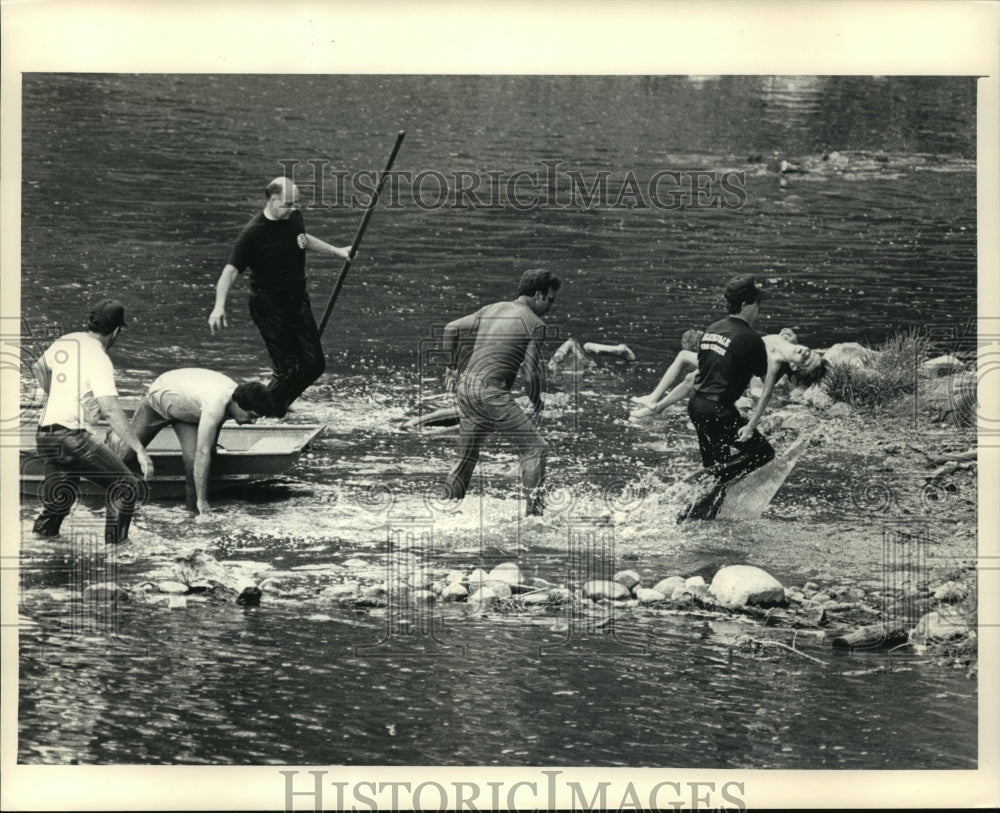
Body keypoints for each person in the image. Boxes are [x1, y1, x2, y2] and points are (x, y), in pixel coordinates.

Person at [207, 176, 353, 417]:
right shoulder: (253, 233)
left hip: (297, 301)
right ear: (273, 200)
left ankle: (277, 404)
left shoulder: (293, 217)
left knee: (314, 364)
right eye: (288, 204)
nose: (294, 209)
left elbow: (302, 239)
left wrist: (337, 251)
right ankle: (257, 411)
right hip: (269, 306)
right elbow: (229, 272)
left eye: (296, 203)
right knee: (287, 369)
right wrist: (219, 306)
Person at [31, 299, 154, 544]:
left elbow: (39, 368)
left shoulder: (67, 340)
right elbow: (110, 410)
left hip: (45, 434)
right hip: (71, 437)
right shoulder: (99, 358)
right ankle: (116, 550)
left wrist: (55, 395)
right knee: (125, 486)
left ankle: (40, 542)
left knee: (59, 501)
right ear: (116, 331)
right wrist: (140, 450)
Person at [440, 269, 560, 516]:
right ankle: (535, 520)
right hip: (491, 393)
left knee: (466, 460)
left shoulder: (491, 309)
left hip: (467, 388)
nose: (551, 306)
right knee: (535, 449)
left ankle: (444, 511)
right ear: (538, 295)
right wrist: (536, 400)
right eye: (550, 300)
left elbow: (451, 329)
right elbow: (530, 373)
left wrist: (452, 368)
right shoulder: (535, 324)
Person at [117, 369, 278, 519]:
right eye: (251, 416)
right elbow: (203, 452)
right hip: (158, 402)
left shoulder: (242, 397)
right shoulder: (215, 405)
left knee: (194, 461)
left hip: (188, 413)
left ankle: (194, 512)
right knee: (125, 455)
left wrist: (202, 500)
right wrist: (204, 498)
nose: (253, 422)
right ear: (237, 404)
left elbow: (204, 453)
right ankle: (112, 442)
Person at [686, 275, 777, 483]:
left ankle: (706, 487)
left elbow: (706, 370)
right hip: (718, 411)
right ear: (744, 305)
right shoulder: (751, 339)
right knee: (763, 453)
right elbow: (768, 386)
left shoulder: (713, 329)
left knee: (720, 467)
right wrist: (751, 425)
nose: (760, 308)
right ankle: (709, 476)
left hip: (696, 405)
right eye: (757, 303)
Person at [631, 329, 826, 419]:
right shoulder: (790, 342)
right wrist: (793, 341)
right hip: (730, 355)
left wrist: (752, 423)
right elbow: (794, 347)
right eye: (809, 352)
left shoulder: (776, 362)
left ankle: (653, 399)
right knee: (691, 378)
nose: (804, 353)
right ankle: (657, 408)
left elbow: (766, 393)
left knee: (683, 356)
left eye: (805, 360)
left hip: (729, 365)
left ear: (795, 367)